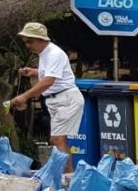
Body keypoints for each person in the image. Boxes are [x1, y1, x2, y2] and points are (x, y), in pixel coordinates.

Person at [10, 22, 84, 172]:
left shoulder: (54, 54)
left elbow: (48, 81)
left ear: (40, 39)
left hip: (65, 99)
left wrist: (24, 96)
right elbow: (51, 73)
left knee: (57, 139)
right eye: (25, 42)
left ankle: (69, 178)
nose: (27, 45)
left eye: (29, 41)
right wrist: (34, 71)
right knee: (59, 139)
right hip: (58, 100)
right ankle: (68, 177)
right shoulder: (45, 54)